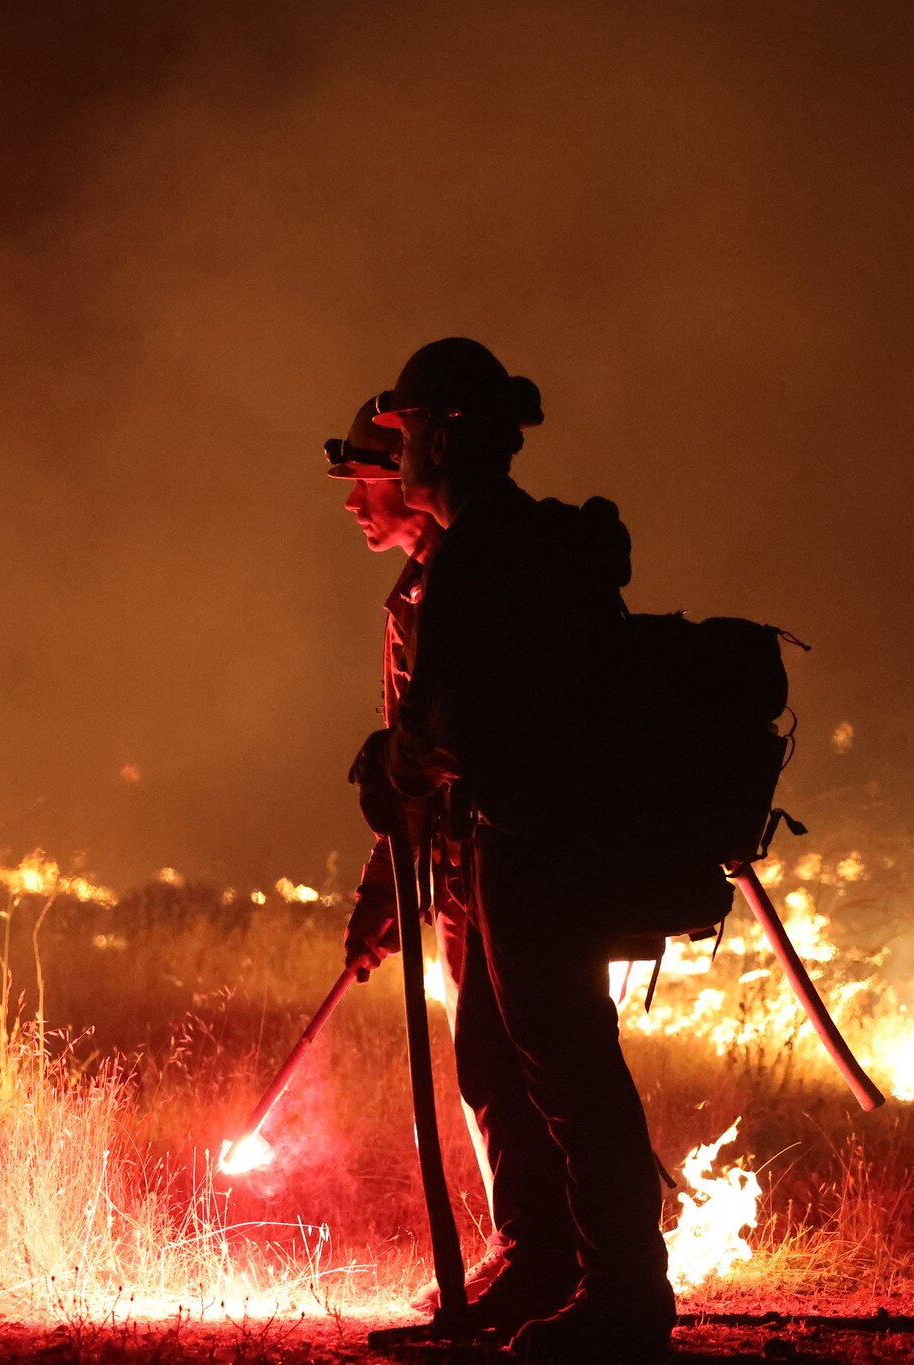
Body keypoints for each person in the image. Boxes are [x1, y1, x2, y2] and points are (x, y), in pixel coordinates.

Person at [353, 338, 675, 1364]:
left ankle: (623, 1297)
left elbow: (457, 714)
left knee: (566, 1066)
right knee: (501, 1059)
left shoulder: (490, 552)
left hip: (540, 841)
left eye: (404, 438)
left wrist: (391, 765)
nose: (392, 462)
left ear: (444, 438)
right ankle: (544, 1266)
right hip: (510, 844)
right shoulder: (496, 544)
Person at [324, 397, 510, 1308]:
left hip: (506, 855)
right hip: (464, 866)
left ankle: (553, 1260)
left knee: (510, 1057)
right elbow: (410, 763)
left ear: (417, 465)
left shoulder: (474, 576)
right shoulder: (421, 591)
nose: (354, 502)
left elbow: (441, 745)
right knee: (498, 1057)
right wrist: (383, 901)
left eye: (365, 479)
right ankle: (549, 1255)